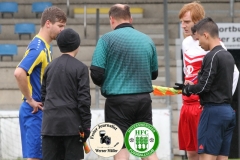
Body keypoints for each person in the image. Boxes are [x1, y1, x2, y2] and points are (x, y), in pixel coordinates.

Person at [90, 3, 158, 160]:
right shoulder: (147, 40)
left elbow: (96, 73)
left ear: (111, 19)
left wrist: (109, 80)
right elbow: (153, 74)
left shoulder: (106, 40)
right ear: (131, 19)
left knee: (120, 146)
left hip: (117, 102)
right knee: (146, 146)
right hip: (143, 100)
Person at [14, 6, 66, 160]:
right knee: (35, 157)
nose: (62, 30)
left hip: (41, 111)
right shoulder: (39, 49)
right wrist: (30, 99)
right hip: (34, 111)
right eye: (60, 26)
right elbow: (19, 73)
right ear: (48, 23)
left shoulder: (46, 46)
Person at [182, 17, 236, 160]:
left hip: (213, 112)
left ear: (206, 35)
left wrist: (188, 89)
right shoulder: (228, 56)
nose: (199, 43)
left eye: (199, 39)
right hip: (228, 112)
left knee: (206, 156)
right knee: (222, 157)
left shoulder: (211, 56)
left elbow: (204, 87)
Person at [41, 28, 91, 160]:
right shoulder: (81, 68)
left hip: (50, 126)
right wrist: (86, 126)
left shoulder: (49, 67)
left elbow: (43, 95)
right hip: (72, 127)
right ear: (77, 45)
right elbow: (84, 100)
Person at [176, 2, 206, 160]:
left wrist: (221, 99)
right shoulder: (186, 43)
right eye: (181, 22)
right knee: (191, 152)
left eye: (187, 22)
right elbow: (187, 72)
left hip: (202, 105)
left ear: (199, 20)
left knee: (205, 152)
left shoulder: (211, 42)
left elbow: (233, 73)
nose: (183, 26)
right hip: (187, 104)